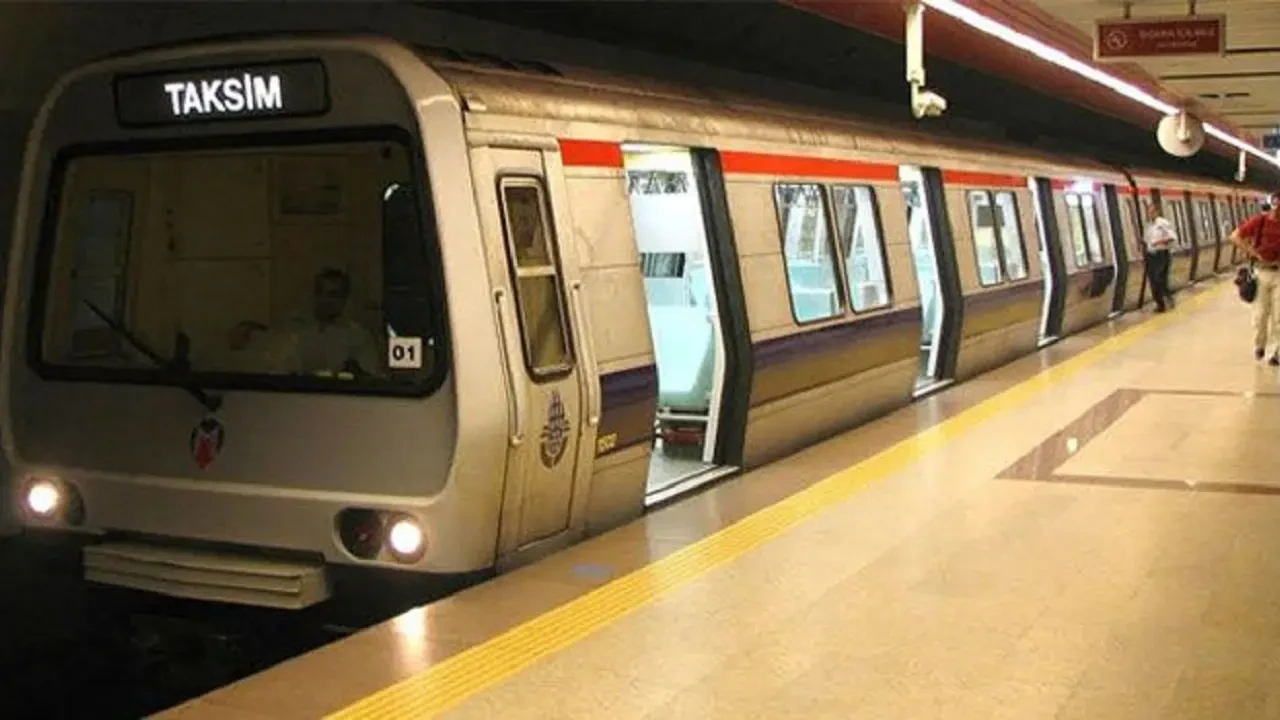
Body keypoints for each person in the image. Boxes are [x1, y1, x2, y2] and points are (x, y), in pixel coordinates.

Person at [229, 267, 379, 376]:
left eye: (335, 295)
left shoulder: (358, 338)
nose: (327, 300)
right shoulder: (294, 328)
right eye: (321, 292)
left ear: (344, 299)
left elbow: (369, 377)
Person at [1229, 191, 1280, 365]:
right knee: (1260, 315)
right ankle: (1260, 345)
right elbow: (1235, 236)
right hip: (1261, 273)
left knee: (1279, 316)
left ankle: (1278, 352)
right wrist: (1254, 253)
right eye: (1276, 205)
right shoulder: (1260, 221)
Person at [1141, 202, 1177, 313]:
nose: (1150, 214)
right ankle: (1160, 304)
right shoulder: (1147, 226)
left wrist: (1160, 242)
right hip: (1151, 255)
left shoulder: (1163, 223)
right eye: (1148, 212)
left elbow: (1172, 237)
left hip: (1162, 254)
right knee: (1153, 280)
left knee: (1159, 278)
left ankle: (1168, 298)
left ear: (1157, 212)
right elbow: (1146, 240)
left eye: (1152, 212)